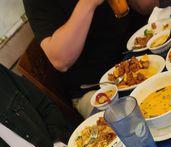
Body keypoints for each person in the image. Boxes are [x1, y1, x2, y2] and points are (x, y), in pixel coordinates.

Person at [23, 0, 160, 117]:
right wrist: (88, 3)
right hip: (95, 87)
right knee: (134, 123)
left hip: (142, 53)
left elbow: (149, 5)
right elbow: (60, 60)